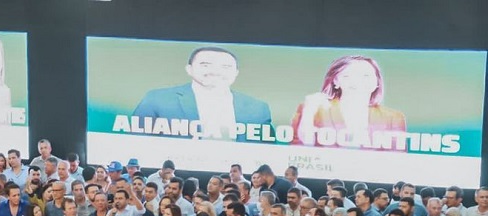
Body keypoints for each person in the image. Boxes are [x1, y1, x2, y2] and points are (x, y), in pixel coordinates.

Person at [133, 46, 272, 141]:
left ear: (236, 73)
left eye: (225, 67)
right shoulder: (158, 99)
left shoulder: (258, 108)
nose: (216, 71)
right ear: (189, 69)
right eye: (206, 65)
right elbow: (134, 142)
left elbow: (268, 154)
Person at [292, 55, 406, 149]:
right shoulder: (314, 108)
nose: (357, 82)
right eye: (347, 76)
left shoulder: (394, 117)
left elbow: (397, 159)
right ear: (336, 81)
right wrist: (308, 113)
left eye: (366, 76)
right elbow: (299, 150)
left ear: (377, 82)